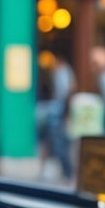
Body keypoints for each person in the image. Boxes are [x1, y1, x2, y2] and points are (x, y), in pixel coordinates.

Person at [35, 52, 75, 181]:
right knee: (52, 142)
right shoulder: (60, 74)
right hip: (54, 113)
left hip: (57, 114)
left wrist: (65, 113)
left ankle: (67, 171)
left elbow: (64, 94)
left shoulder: (62, 74)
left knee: (58, 144)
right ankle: (63, 171)